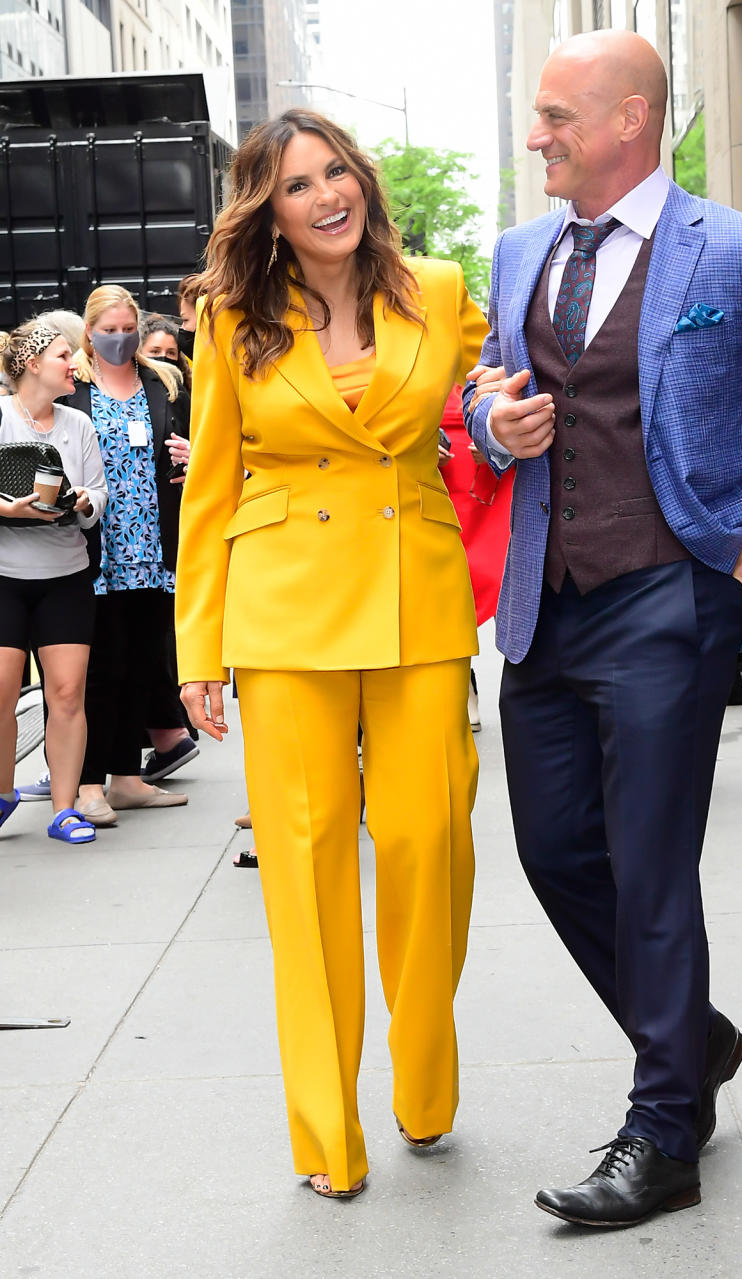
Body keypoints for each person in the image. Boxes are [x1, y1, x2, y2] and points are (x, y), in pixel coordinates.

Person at [465, 30, 742, 1228]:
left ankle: (663, 1131)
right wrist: (498, 427)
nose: (535, 134)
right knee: (553, 853)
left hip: (667, 592)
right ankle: (695, 1036)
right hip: (549, 604)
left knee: (651, 865)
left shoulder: (738, 253)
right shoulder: (517, 249)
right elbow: (494, 385)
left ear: (627, 119)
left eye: (554, 116)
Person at [175, 108, 487, 1199]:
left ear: (363, 180)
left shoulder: (439, 290)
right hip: (282, 610)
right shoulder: (230, 318)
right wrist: (197, 649)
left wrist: (500, 417)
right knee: (303, 875)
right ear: (271, 209)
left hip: (415, 602)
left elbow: (491, 409)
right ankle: (325, 1135)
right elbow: (209, 485)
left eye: (337, 171)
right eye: (299, 184)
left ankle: (423, 1076)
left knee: (431, 845)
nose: (327, 195)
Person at [65, 286, 193, 825]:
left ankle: (128, 778)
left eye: (127, 330)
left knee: (145, 660)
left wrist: (192, 455)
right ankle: (89, 783)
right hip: (96, 548)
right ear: (89, 331)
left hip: (152, 544)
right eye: (109, 330)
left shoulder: (163, 382)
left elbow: (194, 441)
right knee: (101, 667)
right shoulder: (74, 387)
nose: (120, 340)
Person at [0, 320, 108, 842]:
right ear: (32, 363)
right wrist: (10, 510)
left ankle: (65, 810)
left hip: (66, 573)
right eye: (66, 354)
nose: (76, 363)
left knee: (67, 694)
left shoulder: (77, 424)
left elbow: (97, 493)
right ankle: (2, 793)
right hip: (5, 576)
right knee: (0, 693)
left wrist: (85, 501)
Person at [437, 384, 515, 729]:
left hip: (483, 415)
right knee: (438, 578)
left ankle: (526, 673)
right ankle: (458, 675)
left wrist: (496, 435)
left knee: (500, 568)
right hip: (430, 431)